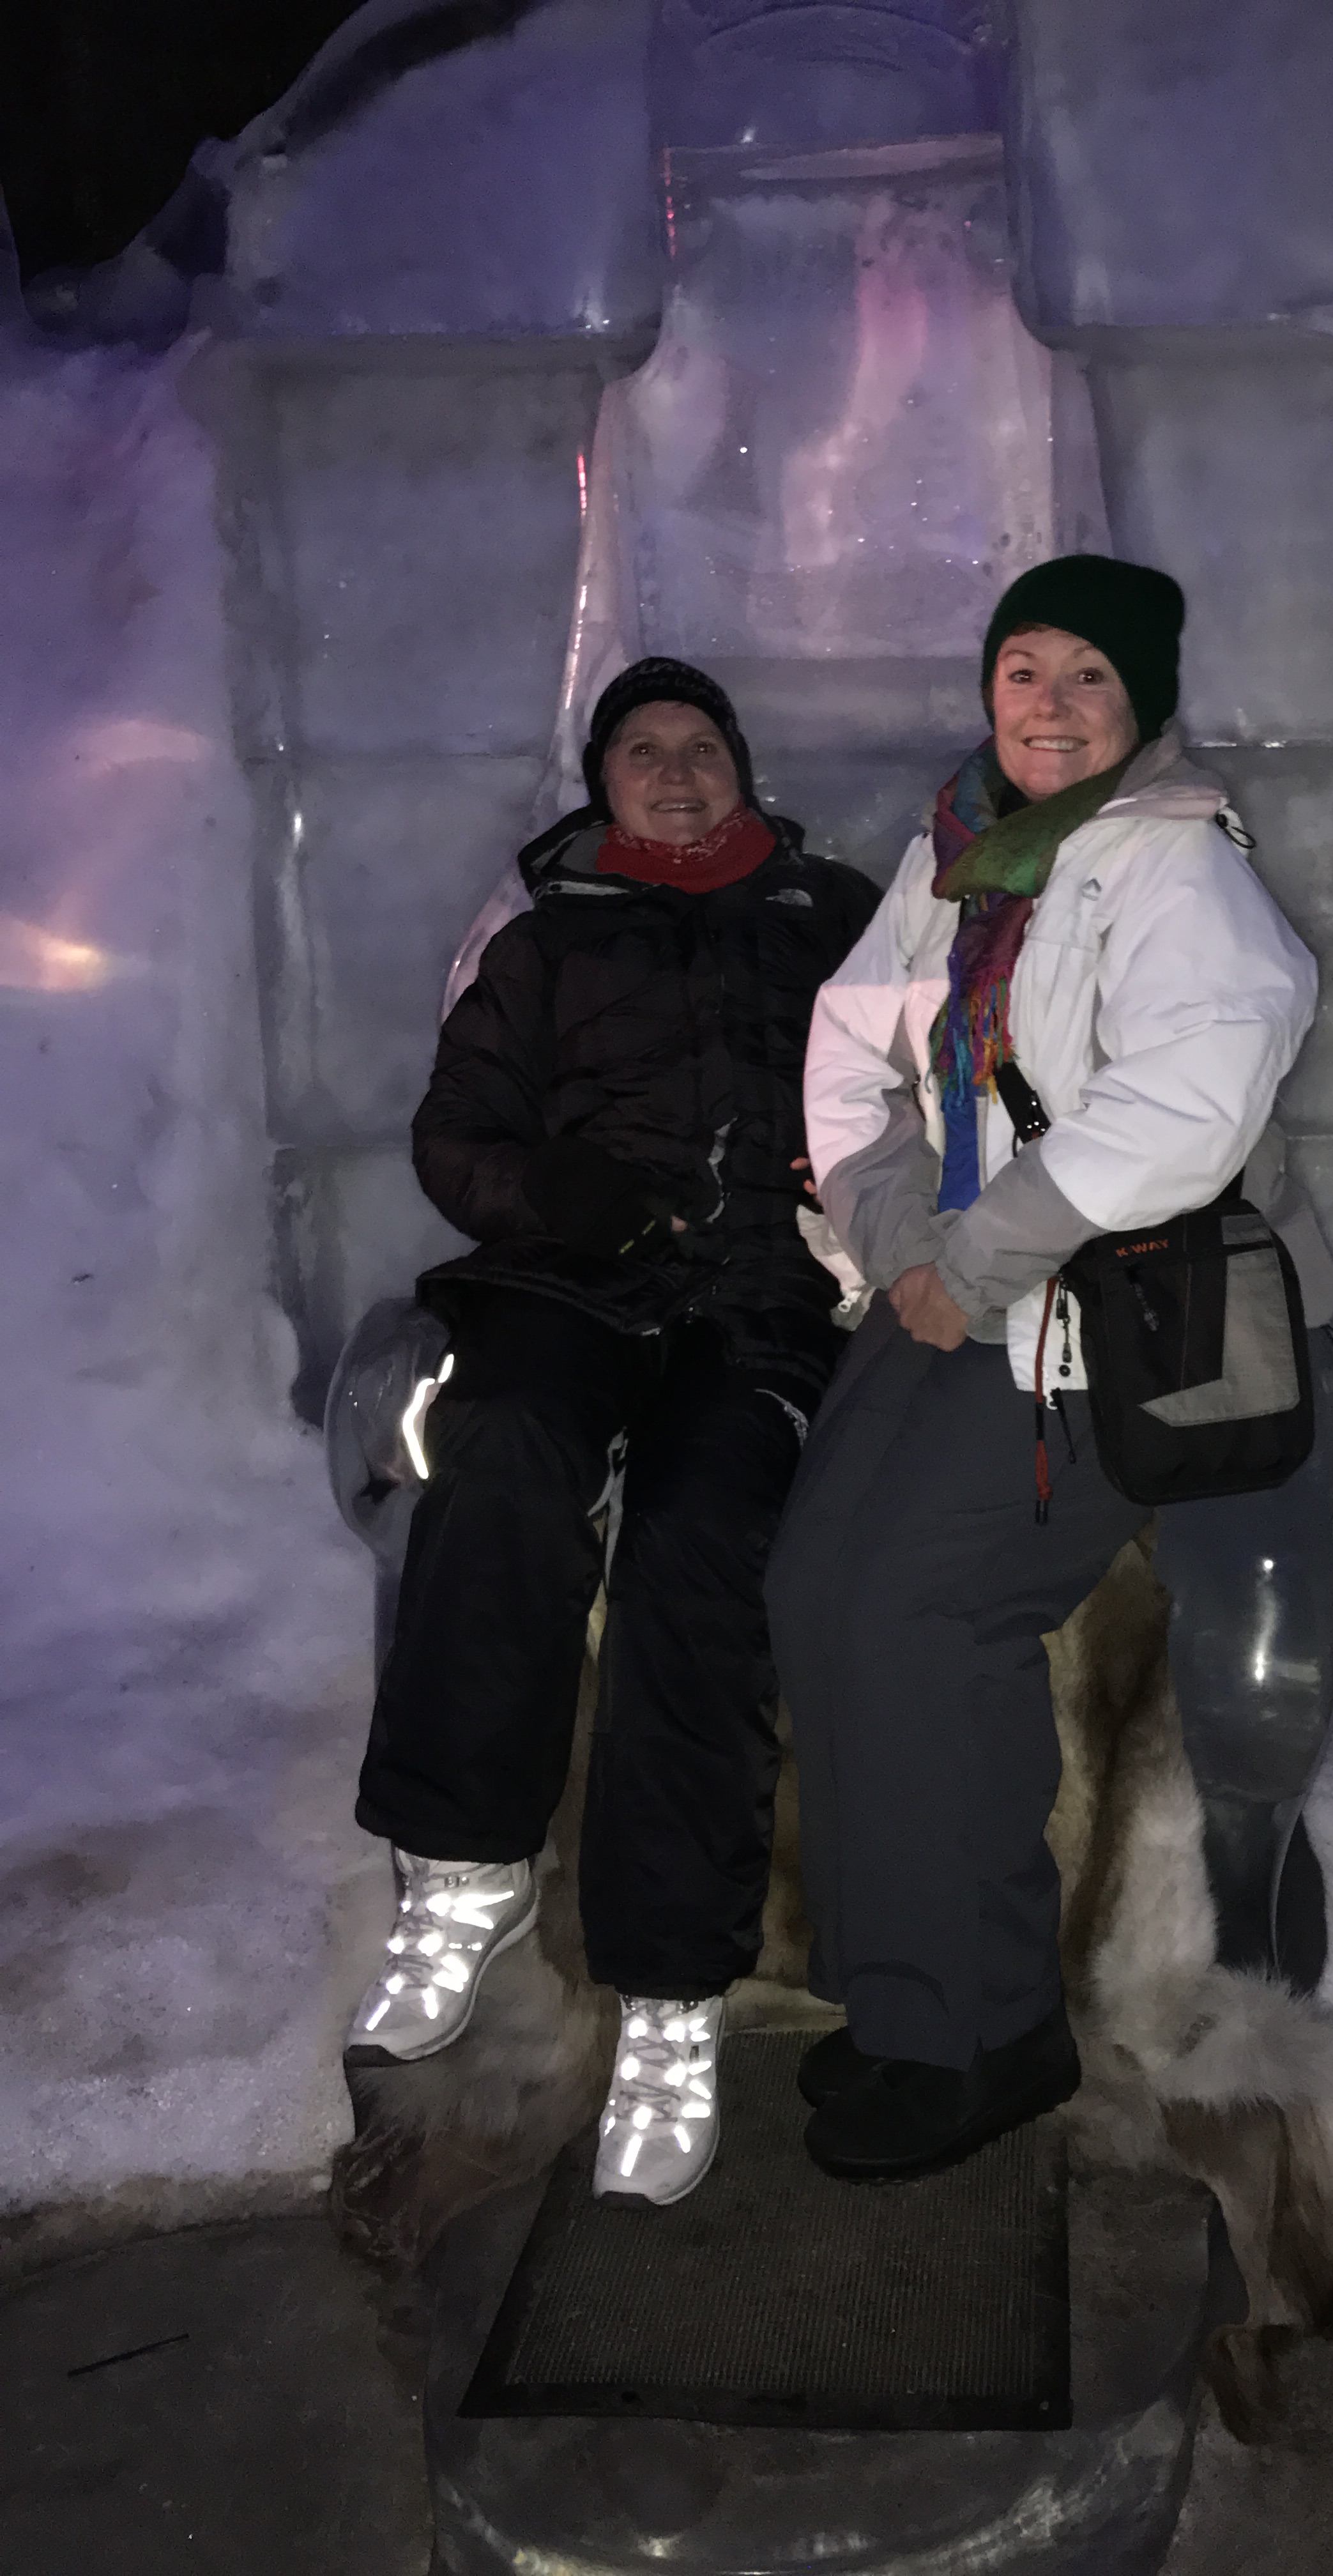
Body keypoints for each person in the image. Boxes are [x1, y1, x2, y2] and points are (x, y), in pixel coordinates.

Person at [766, 553, 1333, 2184]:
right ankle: (908, 1996)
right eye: (1026, 669)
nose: (1052, 704)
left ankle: (982, 2032)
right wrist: (896, 1239)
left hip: (1099, 1337)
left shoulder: (1176, 864)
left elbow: (1190, 1104)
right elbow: (854, 1045)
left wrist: (974, 1259)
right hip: (953, 1290)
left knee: (920, 1616)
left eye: (1091, 675)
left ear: (1143, 699)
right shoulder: (959, 849)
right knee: (817, 1589)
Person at [346, 658, 878, 2205]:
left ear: (743, 769)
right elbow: (456, 1135)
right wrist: (560, 1196)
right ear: (603, 781)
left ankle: (670, 1994)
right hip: (573, 1280)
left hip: (763, 1295)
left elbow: (925, 1078)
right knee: (502, 1446)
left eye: (702, 745)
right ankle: (468, 1869)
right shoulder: (544, 930)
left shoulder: (833, 915)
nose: (677, 769)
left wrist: (863, 1210)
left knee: (702, 1546)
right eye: (644, 749)